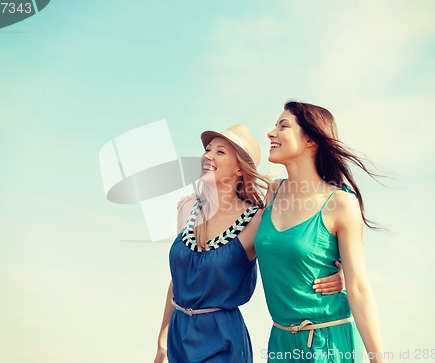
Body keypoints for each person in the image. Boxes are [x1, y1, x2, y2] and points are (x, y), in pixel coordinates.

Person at [154, 124, 345, 363]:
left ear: (239, 168)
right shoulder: (187, 208)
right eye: (208, 149)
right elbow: (179, 279)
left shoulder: (256, 219)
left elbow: (292, 251)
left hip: (221, 340)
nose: (208, 156)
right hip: (178, 337)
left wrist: (343, 273)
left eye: (220, 152)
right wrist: (162, 339)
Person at [254, 101, 386, 362]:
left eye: (283, 126)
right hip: (280, 341)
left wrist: (378, 359)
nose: (271, 133)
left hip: (328, 342)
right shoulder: (272, 192)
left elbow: (358, 287)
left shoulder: (341, 203)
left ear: (310, 139)